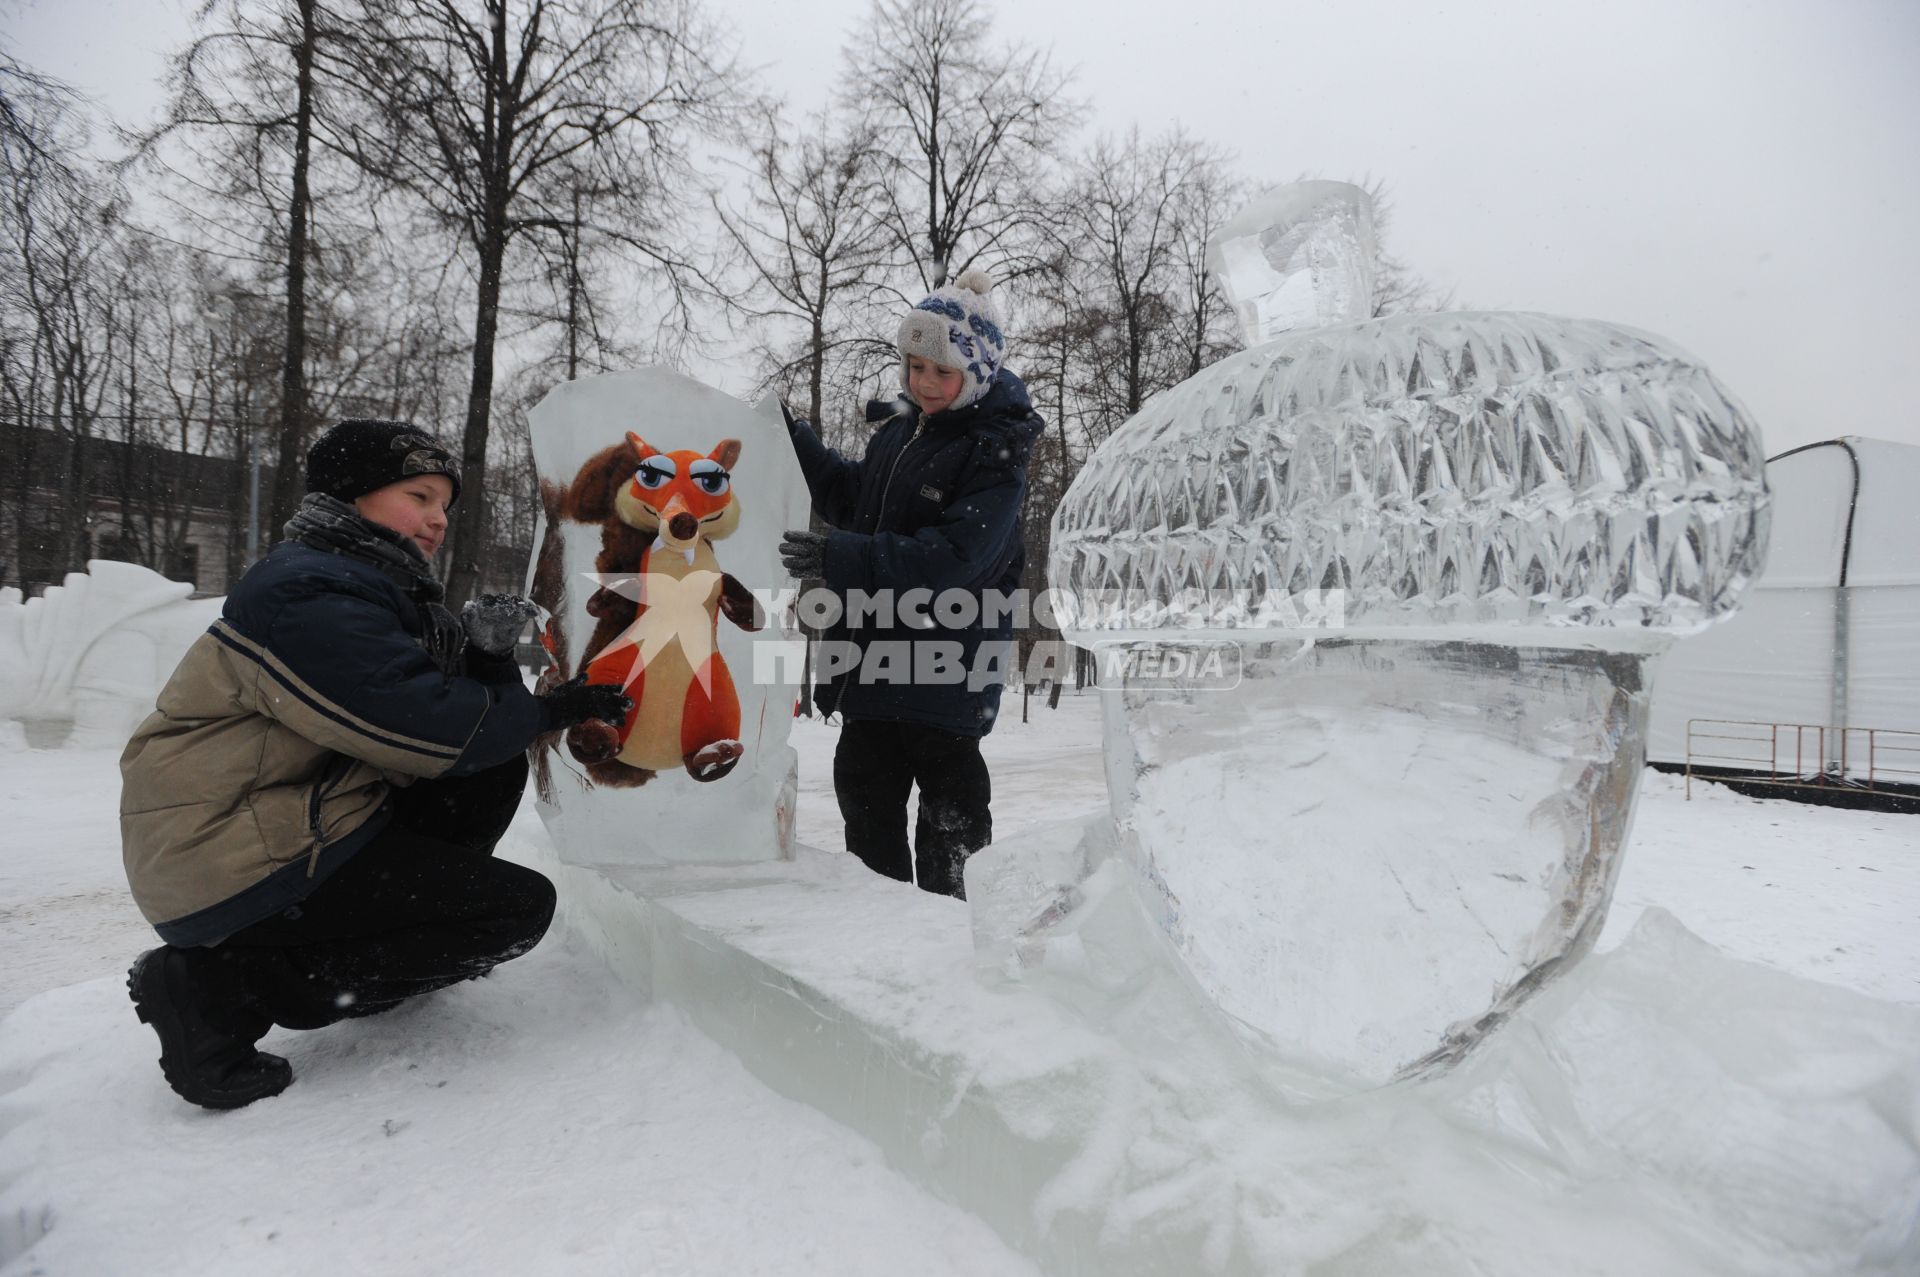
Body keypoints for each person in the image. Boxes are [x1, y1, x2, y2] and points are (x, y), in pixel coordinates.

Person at [120, 418, 631, 1110]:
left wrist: (485, 658)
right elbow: (426, 728)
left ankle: (372, 945)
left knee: (489, 771)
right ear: (351, 496)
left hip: (297, 822)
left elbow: (463, 735)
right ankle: (220, 988)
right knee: (516, 910)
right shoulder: (306, 593)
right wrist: (550, 708)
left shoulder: (366, 583)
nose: (436, 519)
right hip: (229, 856)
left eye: (444, 504)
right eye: (418, 496)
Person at [779, 270, 1042, 899]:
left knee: (948, 827)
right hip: (871, 670)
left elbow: (953, 559)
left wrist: (843, 559)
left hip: (946, 676)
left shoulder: (993, 455)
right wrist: (795, 440)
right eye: (914, 365)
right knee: (865, 812)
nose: (923, 383)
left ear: (974, 374)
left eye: (941, 371)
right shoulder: (898, 434)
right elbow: (852, 499)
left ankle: (953, 942)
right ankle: (876, 940)